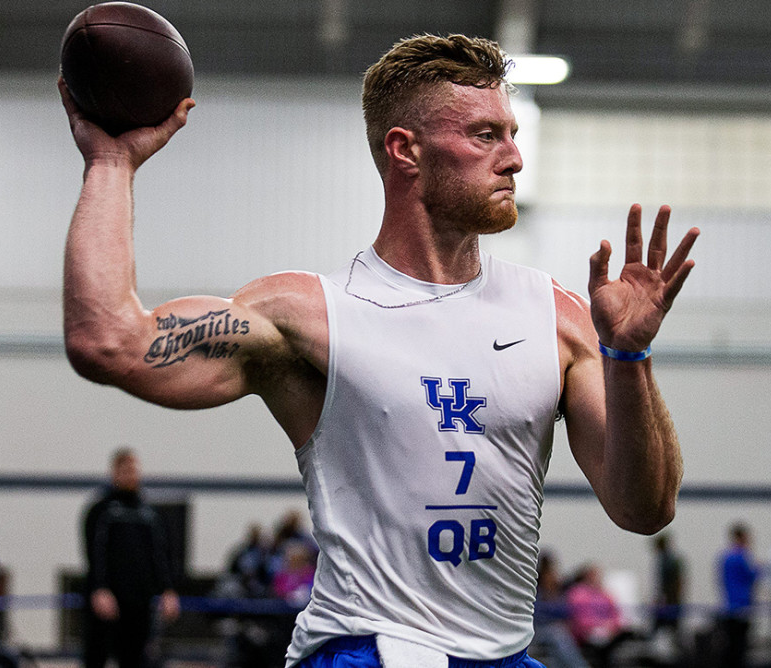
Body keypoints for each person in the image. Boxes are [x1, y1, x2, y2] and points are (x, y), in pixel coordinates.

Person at [60, 32, 697, 668]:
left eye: (512, 134)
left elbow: (645, 509)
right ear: (405, 150)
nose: (514, 159)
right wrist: (110, 165)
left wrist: (629, 358)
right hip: (368, 650)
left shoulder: (559, 317)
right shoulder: (311, 317)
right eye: (485, 136)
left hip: (506, 655)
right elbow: (110, 343)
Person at [81, 447, 181, 668]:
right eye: (124, 470)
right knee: (97, 656)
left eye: (134, 470)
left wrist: (167, 590)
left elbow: (161, 555)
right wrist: (100, 588)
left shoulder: (149, 514)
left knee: (135, 658)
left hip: (138, 601)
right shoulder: (102, 511)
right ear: (114, 473)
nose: (130, 475)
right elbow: (94, 552)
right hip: (108, 600)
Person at [719, 523, 759, 668]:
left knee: (730, 643)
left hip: (729, 606)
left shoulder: (725, 557)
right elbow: (751, 576)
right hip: (741, 606)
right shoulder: (742, 556)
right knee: (740, 645)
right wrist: (760, 568)